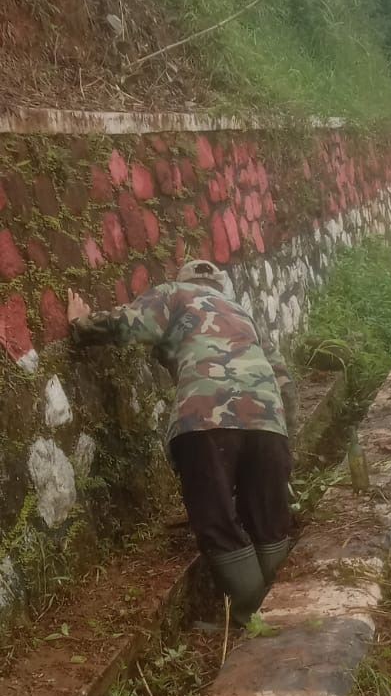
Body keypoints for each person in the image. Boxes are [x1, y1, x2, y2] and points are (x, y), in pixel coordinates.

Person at [67, 259, 297, 625]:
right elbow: (283, 377)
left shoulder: (174, 293)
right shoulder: (243, 314)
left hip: (205, 419)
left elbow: (132, 324)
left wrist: (82, 325)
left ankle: (249, 619)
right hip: (268, 419)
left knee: (218, 519)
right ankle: (283, 612)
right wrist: (286, 437)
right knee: (269, 516)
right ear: (221, 285)